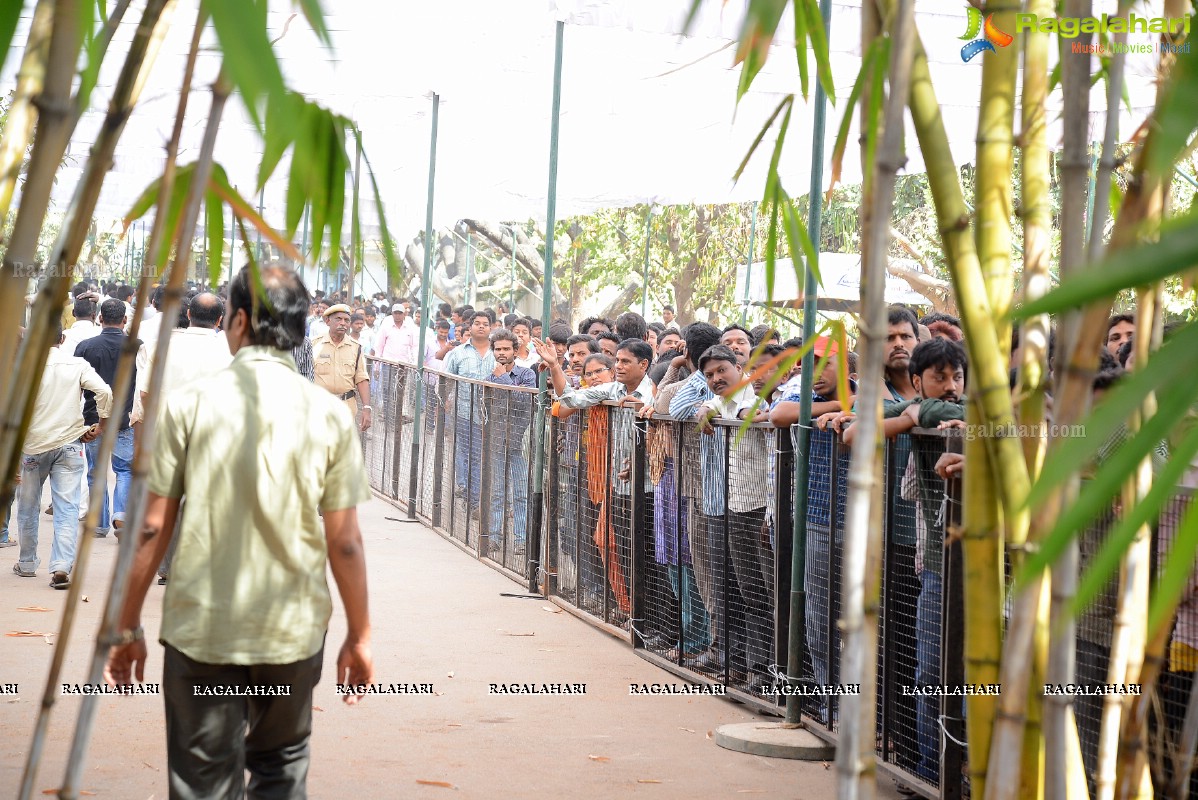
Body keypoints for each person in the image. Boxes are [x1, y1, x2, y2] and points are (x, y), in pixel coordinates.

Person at [103, 264, 373, 798]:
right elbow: (344, 540)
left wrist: (128, 624)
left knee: (201, 778)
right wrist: (360, 635)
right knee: (281, 764)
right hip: (291, 631)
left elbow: (153, 529)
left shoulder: (189, 406)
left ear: (240, 321)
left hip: (203, 631)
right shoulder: (328, 415)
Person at [15, 317, 112, 588]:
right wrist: (101, 423)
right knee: (67, 508)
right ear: (62, 339)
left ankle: (26, 562)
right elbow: (103, 390)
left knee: (27, 506)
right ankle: (61, 566)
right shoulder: (77, 364)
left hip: (32, 446)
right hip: (70, 444)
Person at [74, 299, 137, 539]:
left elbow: (76, 386)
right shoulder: (137, 346)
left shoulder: (85, 346)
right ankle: (121, 515)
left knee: (96, 471)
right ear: (125, 320)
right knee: (124, 470)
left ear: (100, 318)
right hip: (125, 419)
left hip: (93, 420)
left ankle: (99, 523)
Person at [484, 329, 536, 556]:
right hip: (496, 441)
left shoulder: (526, 375)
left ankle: (521, 540)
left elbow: (524, 399)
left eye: (506, 349)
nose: (502, 353)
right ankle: (494, 537)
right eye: (498, 349)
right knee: (497, 492)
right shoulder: (489, 377)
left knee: (521, 494)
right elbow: (485, 406)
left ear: (516, 350)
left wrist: (503, 378)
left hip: (519, 443)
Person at [444, 311, 496, 507]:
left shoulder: (497, 352)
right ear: (470, 327)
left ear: (491, 328)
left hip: (492, 416)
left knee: (485, 457)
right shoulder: (458, 353)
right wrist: (446, 403)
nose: (481, 326)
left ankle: (482, 497)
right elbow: (446, 381)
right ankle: (473, 498)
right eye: (477, 323)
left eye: (485, 323)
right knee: (469, 455)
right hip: (464, 413)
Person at [311, 304, 372, 433]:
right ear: (328, 321)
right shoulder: (314, 344)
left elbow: (361, 379)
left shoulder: (356, 348)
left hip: (346, 408)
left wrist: (367, 408)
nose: (343, 323)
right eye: (338, 319)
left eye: (346, 320)